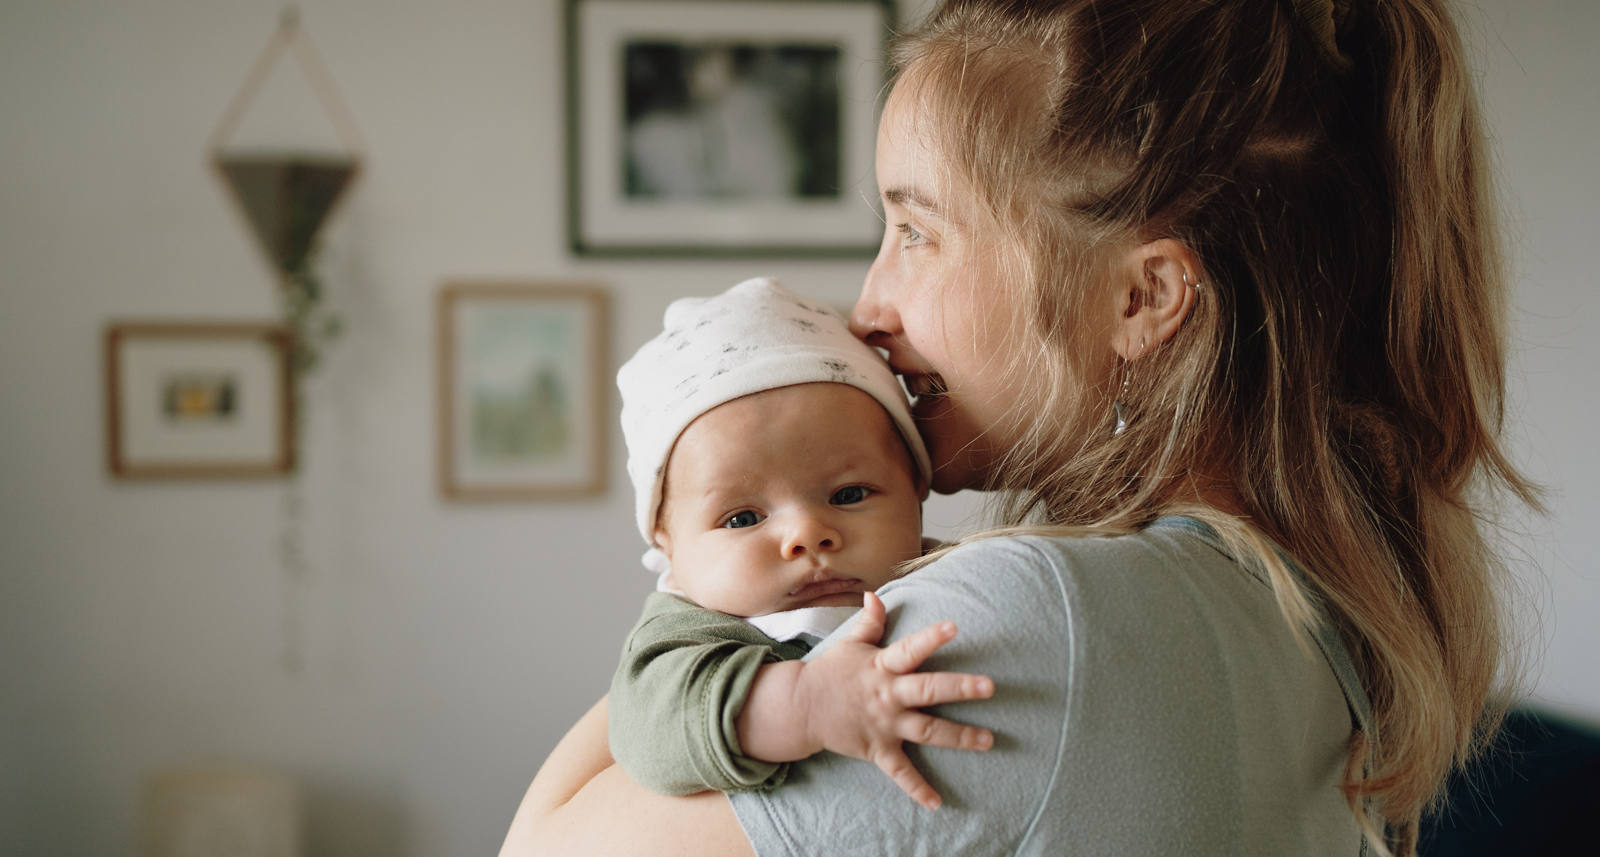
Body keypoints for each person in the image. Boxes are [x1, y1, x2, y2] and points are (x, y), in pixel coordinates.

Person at [501, 1, 1536, 855]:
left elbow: (539, 843)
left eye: (915, 229)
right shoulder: (1307, 610)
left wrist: (695, 583)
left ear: (1142, 299)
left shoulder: (1039, 619)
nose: (869, 305)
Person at [608, 277, 993, 807]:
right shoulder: (689, 633)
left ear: (915, 486)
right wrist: (808, 704)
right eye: (742, 518)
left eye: (849, 493)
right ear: (666, 541)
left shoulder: (958, 576)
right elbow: (644, 732)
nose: (807, 534)